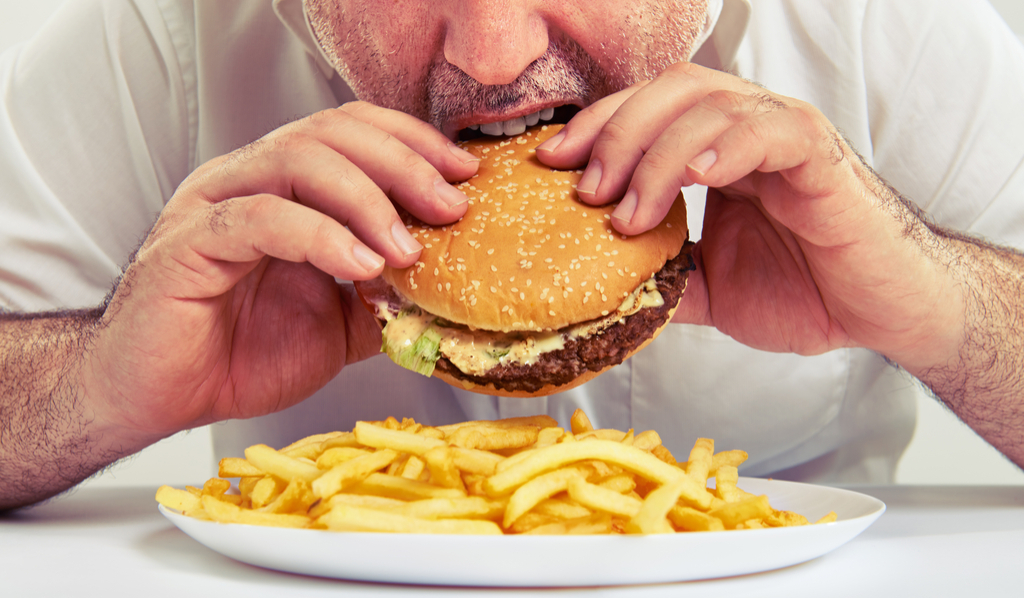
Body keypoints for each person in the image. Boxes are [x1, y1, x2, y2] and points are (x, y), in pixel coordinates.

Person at [1, 0, 1023, 511]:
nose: (491, 59)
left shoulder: (887, 27)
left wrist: (941, 305)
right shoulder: (154, 36)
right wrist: (97, 382)